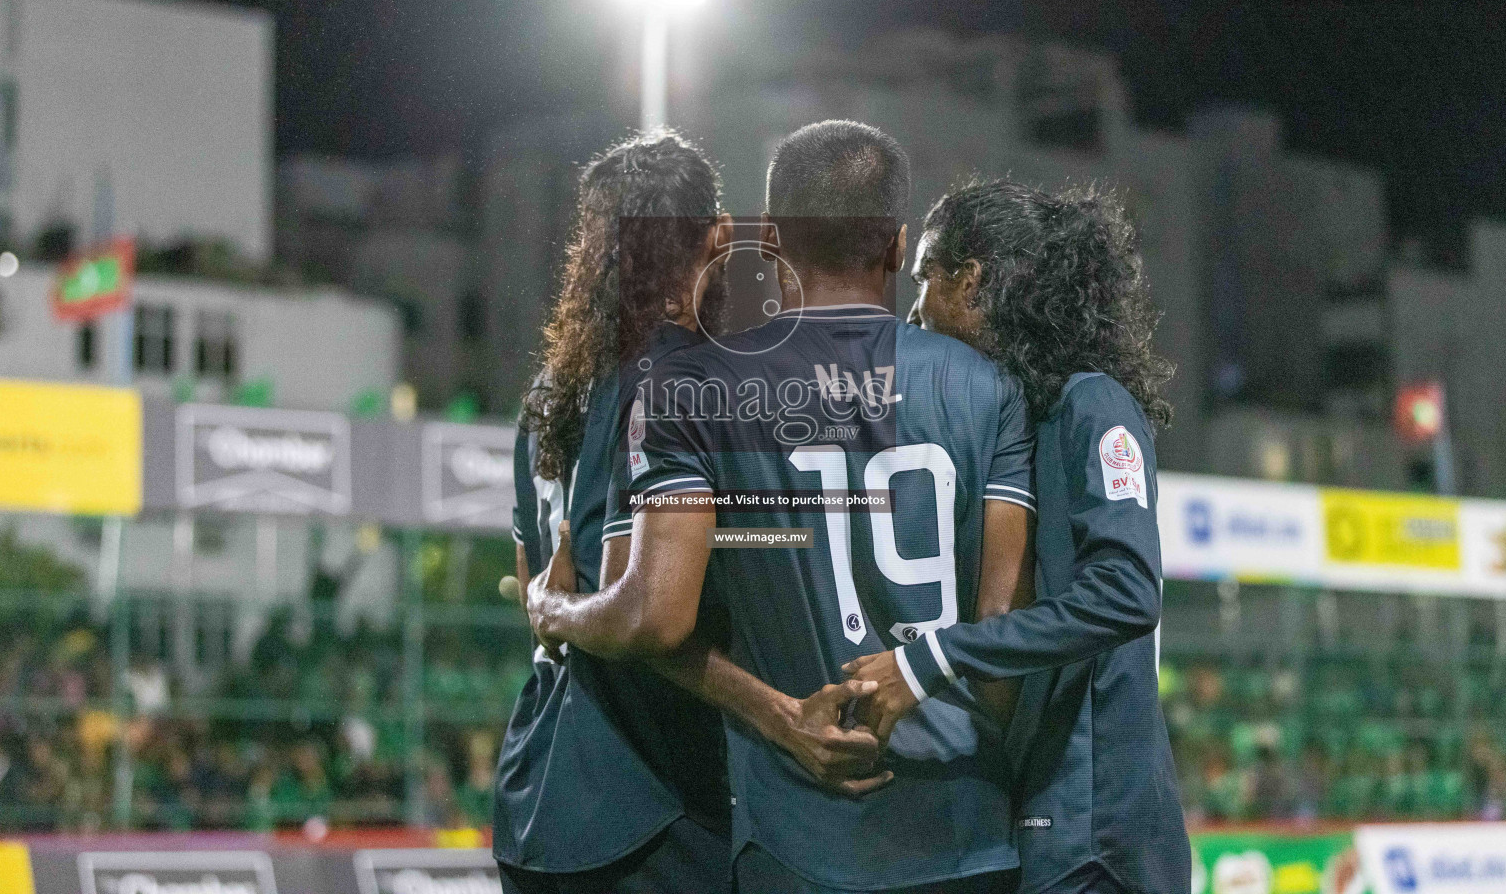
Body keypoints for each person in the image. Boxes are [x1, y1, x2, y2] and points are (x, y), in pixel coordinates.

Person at [528, 120, 1037, 893]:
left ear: (767, 243)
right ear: (897, 249)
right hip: (964, 835)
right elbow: (1005, 633)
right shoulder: (988, 387)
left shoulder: (691, 389)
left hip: (796, 844)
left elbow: (657, 616)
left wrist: (554, 610)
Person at [497, 131, 885, 894]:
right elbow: (645, 613)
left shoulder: (548, 393)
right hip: (647, 809)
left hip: (538, 792)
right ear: (714, 239)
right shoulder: (677, 380)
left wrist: (552, 609)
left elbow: (545, 582)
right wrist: (777, 714)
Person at [844, 180, 1190, 894]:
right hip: (1037, 818)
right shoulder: (1012, 427)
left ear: (970, 285)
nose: (912, 309)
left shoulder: (1092, 405)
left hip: (1099, 835)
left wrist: (929, 658)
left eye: (924, 282)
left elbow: (1126, 594)